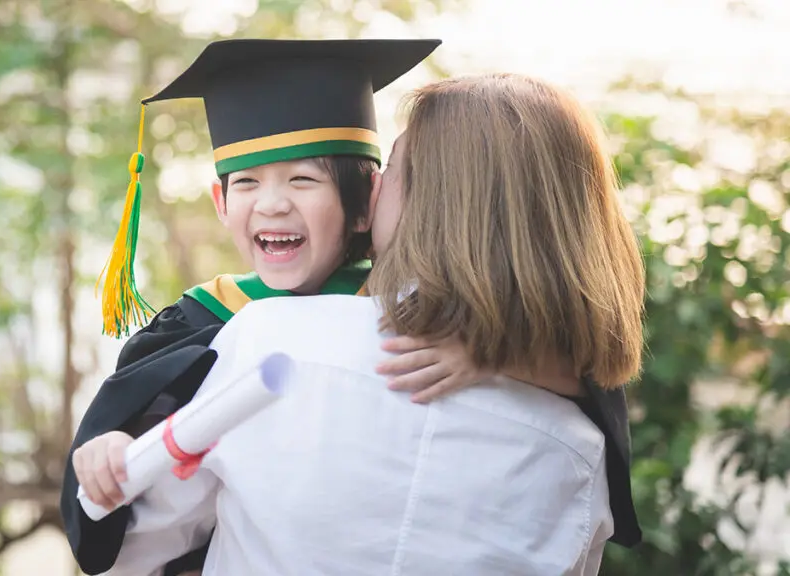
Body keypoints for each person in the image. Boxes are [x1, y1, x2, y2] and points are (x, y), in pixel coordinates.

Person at [104, 72, 646, 575]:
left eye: (394, 168)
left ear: (434, 201)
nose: (377, 186)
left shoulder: (270, 347)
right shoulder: (583, 442)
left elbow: (129, 543)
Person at [61, 38, 494, 576]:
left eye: (303, 179)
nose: (271, 203)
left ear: (365, 204)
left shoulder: (418, 310)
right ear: (221, 205)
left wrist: (489, 354)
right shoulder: (200, 323)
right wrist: (108, 448)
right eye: (246, 182)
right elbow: (120, 483)